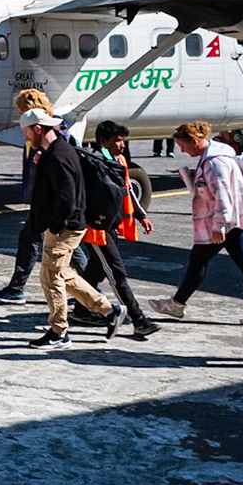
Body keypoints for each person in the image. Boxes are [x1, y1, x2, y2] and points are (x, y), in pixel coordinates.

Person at [22, 107, 120, 348]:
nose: (25, 137)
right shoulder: (55, 152)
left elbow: (67, 198)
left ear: (37, 129)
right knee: (62, 274)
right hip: (67, 226)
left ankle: (59, 332)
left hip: (65, 228)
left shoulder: (58, 156)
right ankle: (109, 311)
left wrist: (56, 226)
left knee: (51, 277)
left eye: (26, 132)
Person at [152, 121, 243, 321]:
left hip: (224, 222)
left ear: (194, 141)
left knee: (199, 261)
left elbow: (222, 195)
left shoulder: (213, 163)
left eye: (183, 146)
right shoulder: (217, 154)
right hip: (234, 219)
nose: (182, 151)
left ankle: (176, 304)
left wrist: (219, 225)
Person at [69, 122, 157, 339]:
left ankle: (81, 310)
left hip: (112, 226)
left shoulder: (119, 161)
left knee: (95, 271)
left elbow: (127, 190)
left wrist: (140, 215)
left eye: (122, 140)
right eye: (117, 140)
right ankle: (139, 320)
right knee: (116, 273)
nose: (122, 145)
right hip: (98, 230)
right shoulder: (95, 163)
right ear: (103, 142)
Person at [0, 88, 59, 302]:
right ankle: (16, 287)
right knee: (34, 240)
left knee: (43, 242)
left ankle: (17, 288)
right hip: (39, 199)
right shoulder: (33, 134)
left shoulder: (49, 134)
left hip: (49, 201)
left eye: (21, 109)